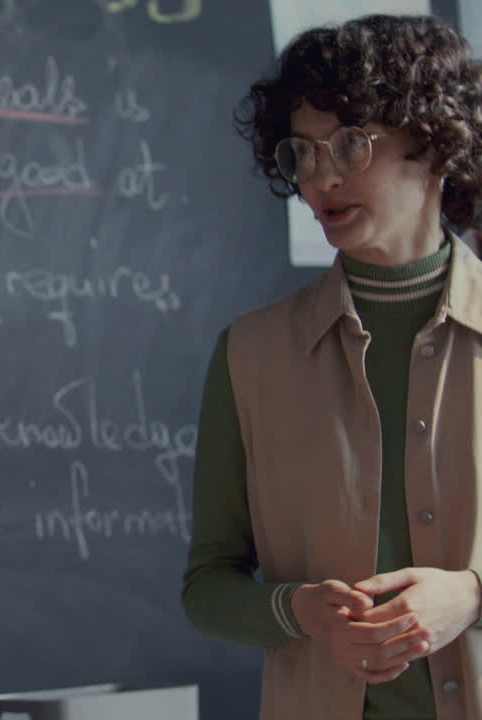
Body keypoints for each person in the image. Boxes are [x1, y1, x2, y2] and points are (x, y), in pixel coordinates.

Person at [181, 13, 482, 720]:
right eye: (303, 153)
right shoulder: (252, 354)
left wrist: (470, 595)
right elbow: (208, 587)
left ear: (435, 141)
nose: (321, 178)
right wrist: (299, 613)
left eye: (350, 144)